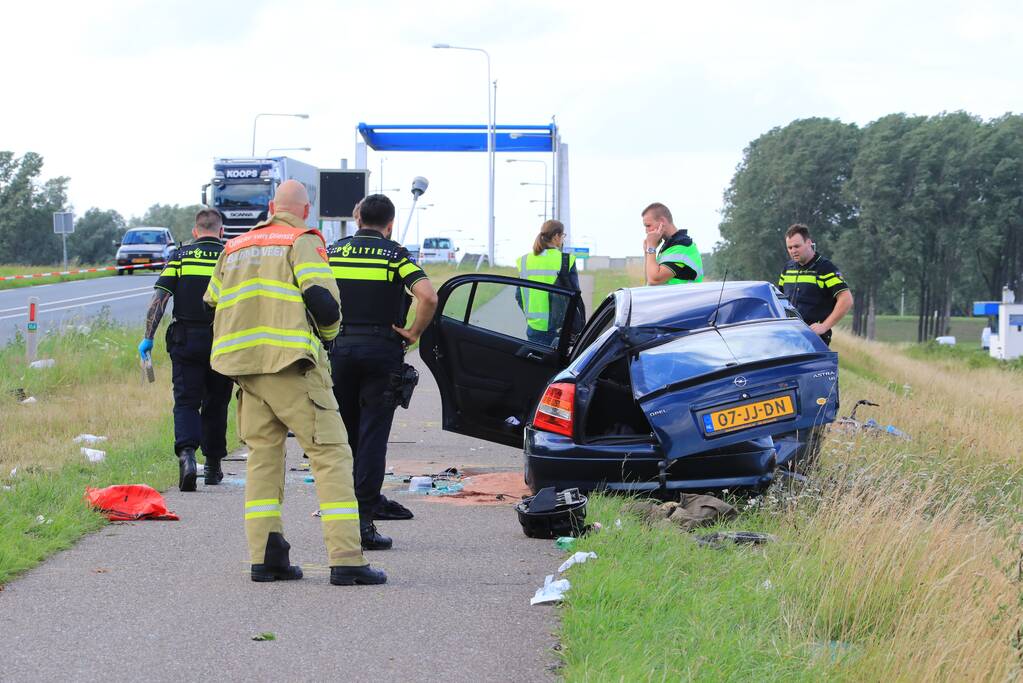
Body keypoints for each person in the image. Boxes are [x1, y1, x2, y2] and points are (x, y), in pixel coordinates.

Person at [203, 180, 385, 586]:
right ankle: (346, 560)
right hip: (292, 367)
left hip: (246, 372)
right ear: (305, 211)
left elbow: (212, 300)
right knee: (331, 455)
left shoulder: (234, 246)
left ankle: (266, 558)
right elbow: (322, 298)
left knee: (263, 461)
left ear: (271, 206)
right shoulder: (301, 239)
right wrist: (332, 334)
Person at [326, 194, 438, 551]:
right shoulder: (395, 255)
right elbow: (428, 297)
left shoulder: (333, 252)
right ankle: (364, 519)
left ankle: (339, 515)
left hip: (339, 349)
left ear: (358, 219)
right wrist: (414, 333)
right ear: (389, 224)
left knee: (343, 436)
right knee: (373, 435)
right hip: (381, 350)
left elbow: (309, 294)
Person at [138, 208, 233, 491]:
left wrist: (148, 337)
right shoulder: (231, 257)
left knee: (186, 401)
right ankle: (214, 465)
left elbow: (160, 298)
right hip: (223, 339)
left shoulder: (180, 256)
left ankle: (188, 457)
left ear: (195, 231)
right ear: (221, 231)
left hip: (186, 339)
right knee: (217, 402)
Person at [778, 223, 853, 346]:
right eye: (790, 248)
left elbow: (846, 299)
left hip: (814, 340)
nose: (793, 251)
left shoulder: (825, 268)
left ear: (809, 243)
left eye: (797, 246)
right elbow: (780, 300)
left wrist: (824, 326)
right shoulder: (787, 269)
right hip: (789, 338)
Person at [516, 219, 584, 347]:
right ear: (556, 236)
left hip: (534, 327)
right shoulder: (566, 260)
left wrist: (530, 315)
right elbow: (575, 296)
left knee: (535, 365)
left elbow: (519, 295)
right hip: (560, 328)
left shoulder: (525, 261)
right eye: (562, 236)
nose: (563, 239)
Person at [641, 202, 704, 285]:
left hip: (683, 298)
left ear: (662, 221)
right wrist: (647, 251)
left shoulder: (682, 245)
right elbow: (649, 281)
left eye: (648, 225)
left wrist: (651, 248)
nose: (646, 231)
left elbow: (654, 280)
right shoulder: (669, 246)